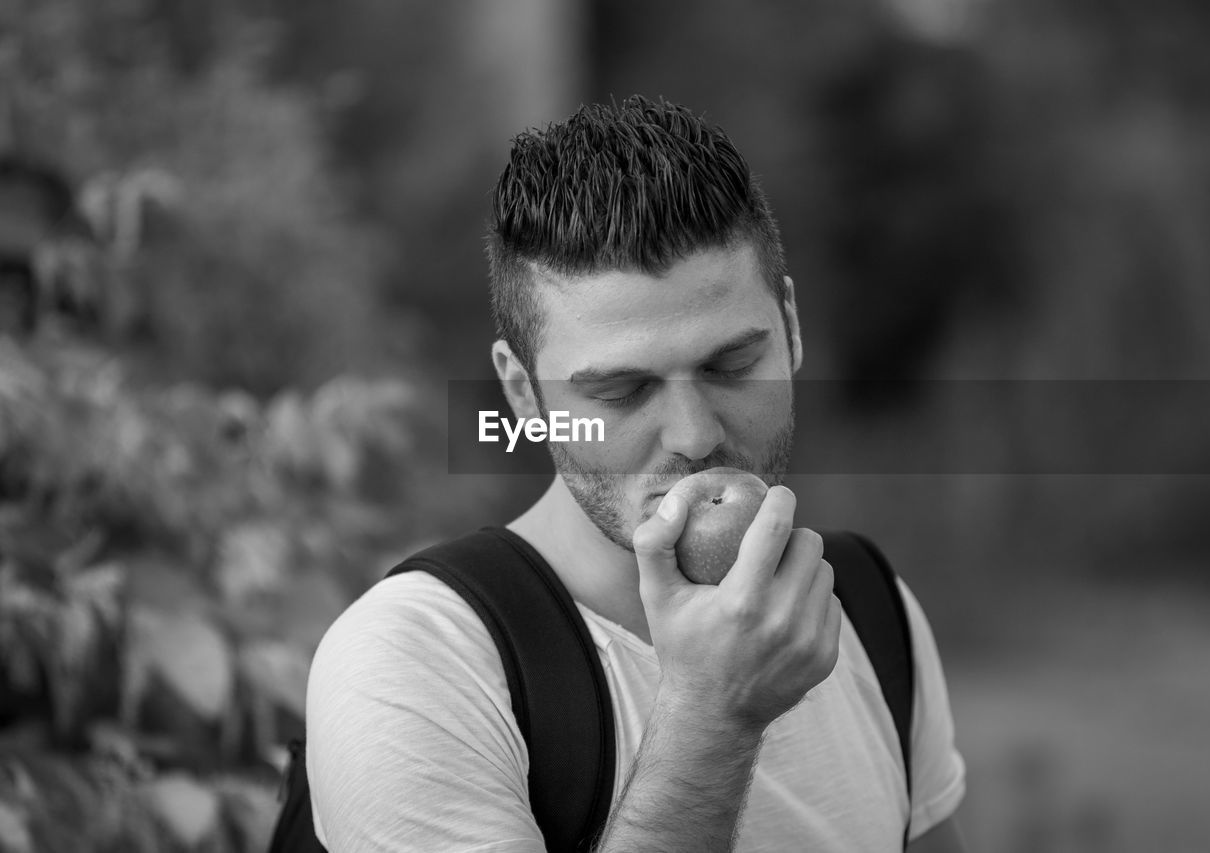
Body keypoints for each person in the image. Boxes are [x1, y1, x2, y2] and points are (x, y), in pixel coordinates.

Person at [305, 95, 967, 852]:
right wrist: (714, 717)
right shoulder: (415, 665)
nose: (693, 436)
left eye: (731, 364)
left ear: (789, 328)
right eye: (621, 391)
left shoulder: (871, 610)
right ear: (524, 393)